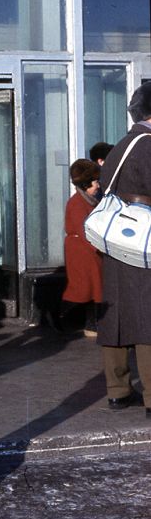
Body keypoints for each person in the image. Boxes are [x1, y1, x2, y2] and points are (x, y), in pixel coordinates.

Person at [97, 81, 151, 417]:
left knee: (116, 311)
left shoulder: (120, 146)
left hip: (116, 239)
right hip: (145, 239)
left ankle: (117, 390)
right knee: (147, 313)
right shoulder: (149, 146)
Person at [60, 159, 103, 336]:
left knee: (94, 289)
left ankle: (91, 325)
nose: (98, 185)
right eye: (95, 182)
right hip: (81, 252)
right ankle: (58, 314)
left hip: (88, 251)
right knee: (82, 288)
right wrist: (99, 248)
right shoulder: (77, 203)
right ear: (86, 184)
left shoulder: (90, 200)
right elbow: (83, 230)